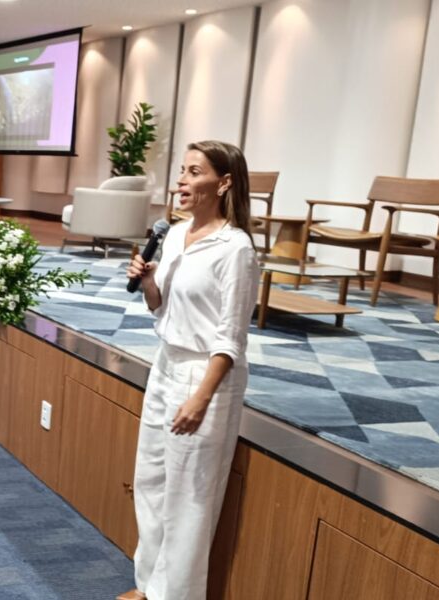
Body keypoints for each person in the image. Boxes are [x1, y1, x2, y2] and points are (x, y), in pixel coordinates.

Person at [120, 141, 259, 600]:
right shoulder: (176, 234)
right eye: (181, 170)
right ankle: (147, 585)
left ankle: (172, 595)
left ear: (223, 183)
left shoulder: (235, 248)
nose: (180, 180)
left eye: (193, 172)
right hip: (166, 365)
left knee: (190, 499)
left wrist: (200, 398)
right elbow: (163, 310)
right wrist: (148, 284)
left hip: (206, 377)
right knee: (152, 481)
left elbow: (230, 337)